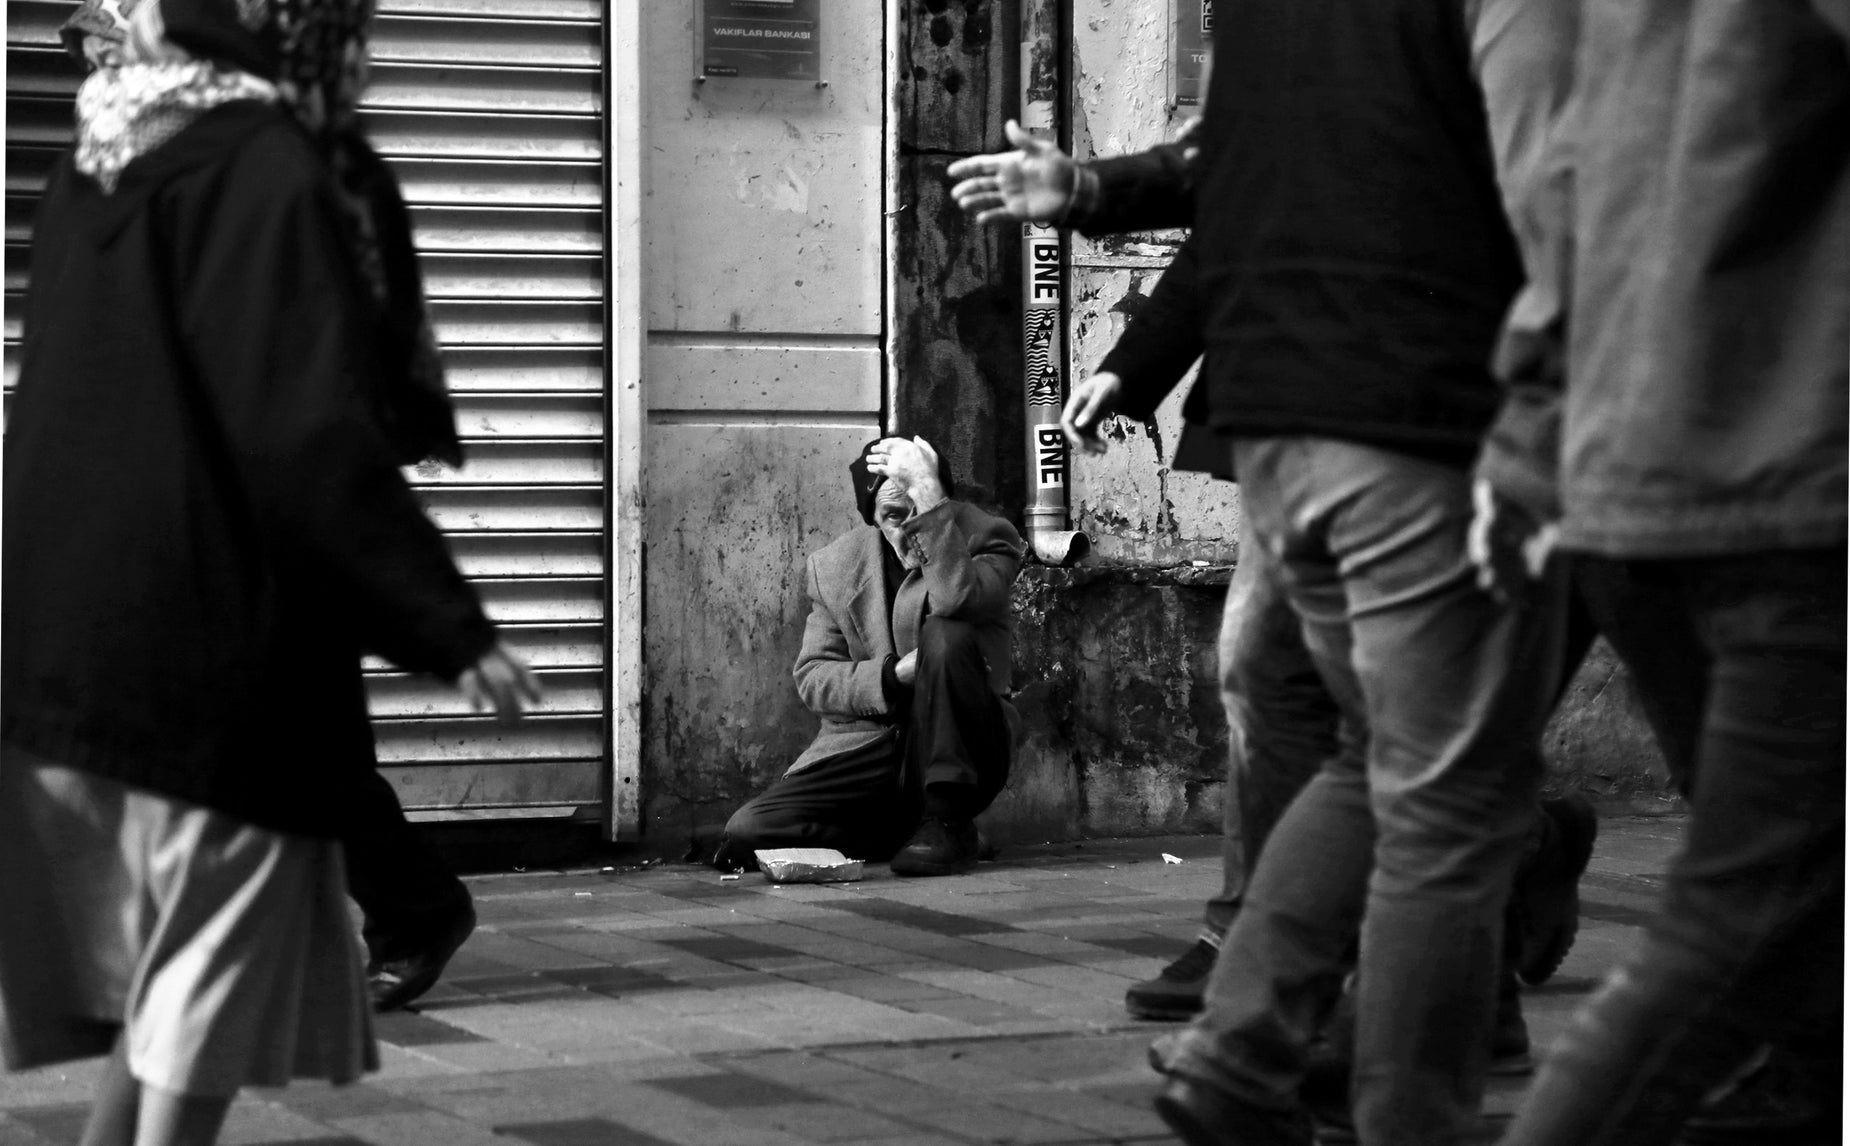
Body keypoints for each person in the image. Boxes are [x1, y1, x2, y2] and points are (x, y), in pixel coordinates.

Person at [959, 2, 1579, 1142]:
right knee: (1436, 786)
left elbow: (1230, 158)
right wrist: (1549, 421)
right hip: (1416, 416)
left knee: (1375, 754)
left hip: (1298, 417)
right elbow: (1561, 184)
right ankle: (1388, 1093)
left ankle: (1246, 1046)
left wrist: (1092, 196)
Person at [0, 0, 539, 1142]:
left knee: (174, 1000)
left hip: (79, 647)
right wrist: (448, 626)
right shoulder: (264, 161)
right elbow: (296, 430)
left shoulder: (97, 166)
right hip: (213, 658)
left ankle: (414, 907)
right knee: (200, 1004)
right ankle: (419, 906)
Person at [1472, 2, 1849, 1142]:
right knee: (1759, 907)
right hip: (1777, 481)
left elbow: (1550, 192)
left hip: (1637, 485)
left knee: (1790, 928)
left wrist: (1531, 434)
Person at [714, 436, 1025, 877]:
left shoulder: (986, 538)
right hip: (866, 747)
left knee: (946, 631)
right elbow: (814, 677)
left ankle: (946, 817)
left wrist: (928, 494)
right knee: (747, 831)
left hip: (963, 743)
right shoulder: (835, 565)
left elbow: (957, 598)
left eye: (919, 511)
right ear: (873, 519)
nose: (908, 531)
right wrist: (892, 676)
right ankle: (919, 835)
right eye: (894, 517)